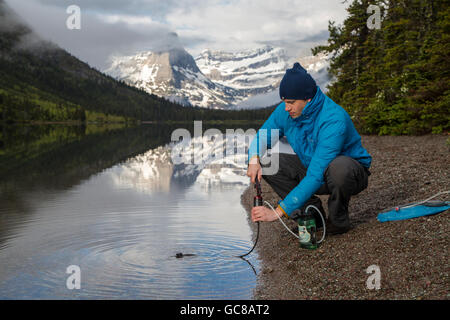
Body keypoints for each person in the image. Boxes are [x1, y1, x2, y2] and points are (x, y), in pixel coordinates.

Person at [247, 62, 372, 235]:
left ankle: (338, 220)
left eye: (291, 102)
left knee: (340, 169)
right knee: (267, 162)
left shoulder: (333, 119)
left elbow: (315, 175)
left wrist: (277, 213)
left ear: (308, 98)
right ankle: (311, 213)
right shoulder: (286, 112)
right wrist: (253, 160)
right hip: (311, 165)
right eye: (284, 101)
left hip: (347, 173)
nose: (286, 107)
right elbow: (262, 136)